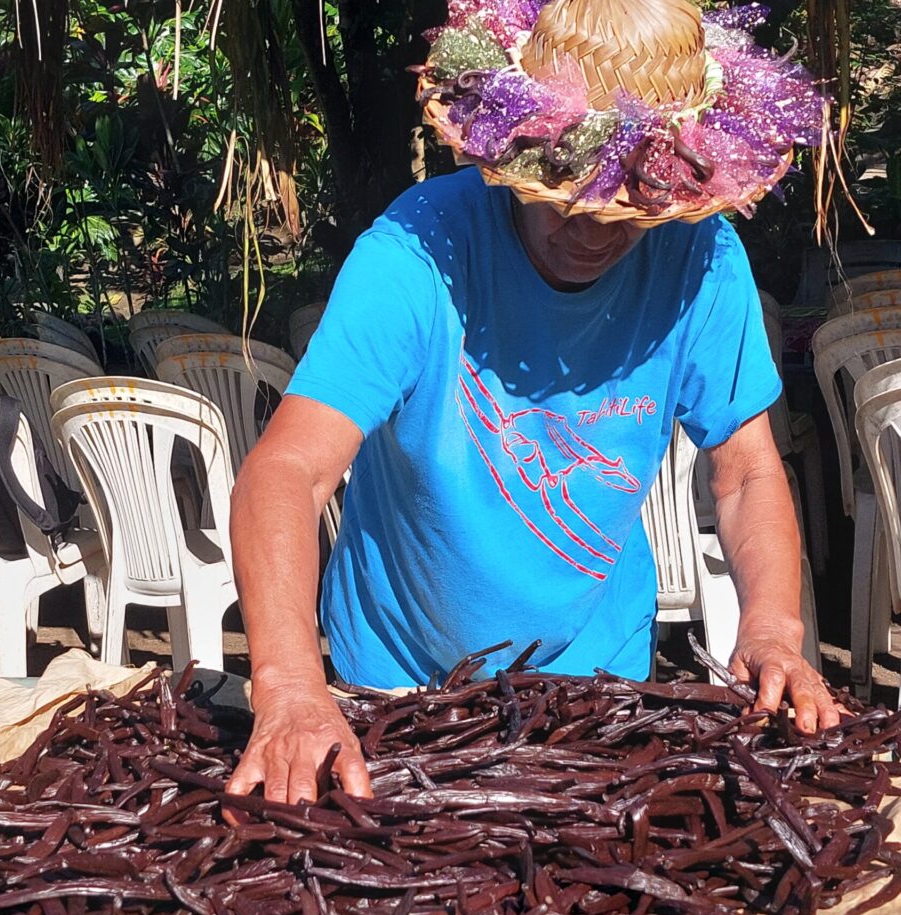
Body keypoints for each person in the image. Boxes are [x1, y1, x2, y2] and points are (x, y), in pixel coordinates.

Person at [226, 0, 842, 807]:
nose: (591, 231)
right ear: (512, 153)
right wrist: (290, 685)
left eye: (625, 211)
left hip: (598, 690)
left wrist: (771, 628)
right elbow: (288, 473)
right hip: (396, 693)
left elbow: (746, 473)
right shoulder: (418, 254)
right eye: (563, 195)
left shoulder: (700, 258)